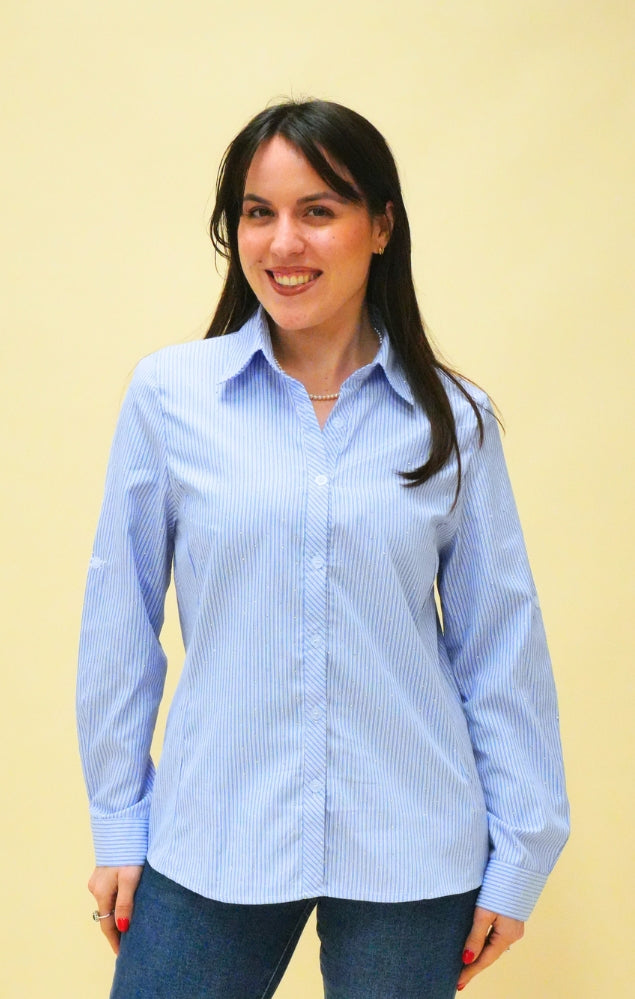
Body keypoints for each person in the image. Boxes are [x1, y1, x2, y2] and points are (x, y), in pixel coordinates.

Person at [77, 98, 569, 999]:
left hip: (411, 843)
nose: (282, 243)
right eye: (257, 213)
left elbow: (500, 640)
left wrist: (519, 857)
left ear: (380, 226)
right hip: (213, 831)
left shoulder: (454, 418)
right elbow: (119, 616)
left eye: (317, 210)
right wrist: (118, 821)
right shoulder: (170, 398)